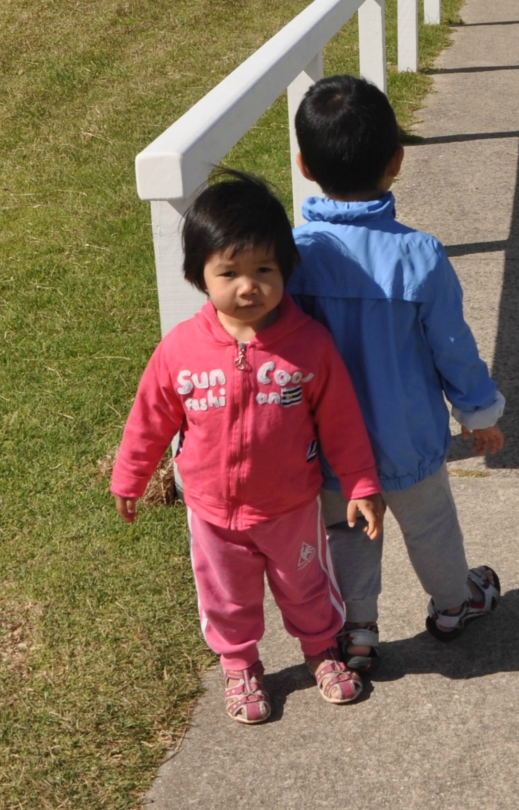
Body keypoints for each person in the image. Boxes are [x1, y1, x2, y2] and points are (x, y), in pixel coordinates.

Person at [111, 170, 386, 725]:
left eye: (264, 270)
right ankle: (240, 665)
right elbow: (150, 416)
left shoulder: (308, 344)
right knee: (227, 599)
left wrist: (361, 483)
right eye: (229, 272)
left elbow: (341, 421)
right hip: (212, 512)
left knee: (306, 588)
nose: (248, 286)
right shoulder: (181, 349)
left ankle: (321, 652)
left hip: (289, 508)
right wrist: (130, 475)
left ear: (285, 268)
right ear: (198, 277)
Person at [287, 74, 505, 673]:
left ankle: (357, 629)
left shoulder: (290, 255)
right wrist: (478, 413)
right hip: (408, 434)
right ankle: (453, 604)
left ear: (304, 165)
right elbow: (452, 347)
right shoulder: (420, 254)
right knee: (431, 526)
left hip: (328, 441)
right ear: (397, 162)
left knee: (349, 530)